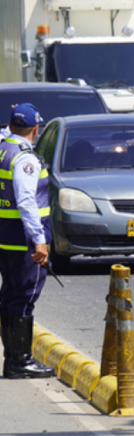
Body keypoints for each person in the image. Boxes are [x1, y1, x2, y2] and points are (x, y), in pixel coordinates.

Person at [0, 102, 56, 379]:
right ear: (36, 129)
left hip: (6, 238)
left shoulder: (3, 148)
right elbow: (26, 201)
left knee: (10, 296)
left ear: (11, 126)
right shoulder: (24, 159)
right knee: (23, 298)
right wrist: (40, 241)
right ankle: (20, 362)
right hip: (24, 241)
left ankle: (12, 360)